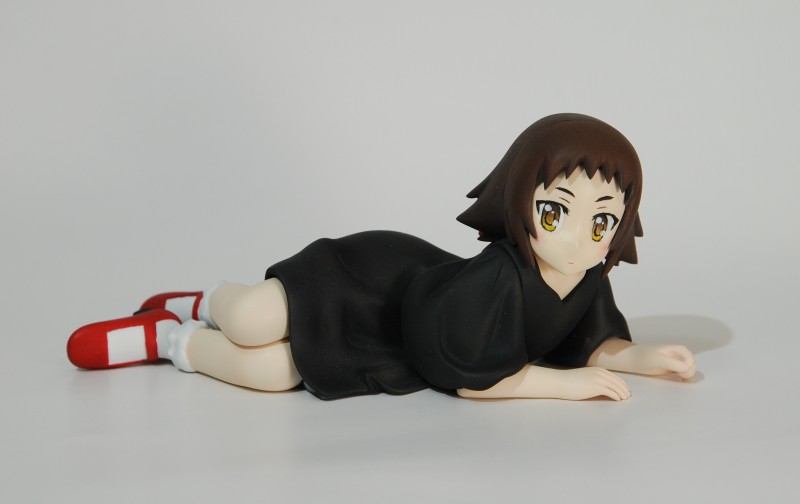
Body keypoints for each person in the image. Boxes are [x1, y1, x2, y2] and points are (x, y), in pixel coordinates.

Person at [67, 113, 696, 401]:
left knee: (278, 374)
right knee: (255, 319)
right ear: (518, 201)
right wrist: (563, 387)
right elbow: (477, 382)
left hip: (395, 350)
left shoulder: (587, 281)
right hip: (376, 284)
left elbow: (591, 342)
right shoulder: (496, 278)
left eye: (603, 221)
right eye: (556, 212)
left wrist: (642, 357)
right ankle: (201, 303)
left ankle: (168, 340)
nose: (579, 240)